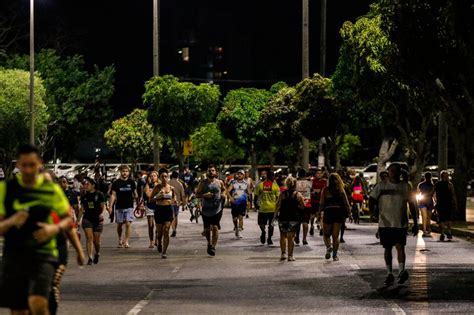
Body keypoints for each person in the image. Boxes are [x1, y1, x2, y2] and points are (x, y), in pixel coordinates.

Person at [0, 144, 73, 315]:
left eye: (32, 165)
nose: (28, 169)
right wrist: (12, 221)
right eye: (24, 165)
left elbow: (67, 219)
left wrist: (54, 228)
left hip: (44, 254)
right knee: (18, 311)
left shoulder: (51, 189)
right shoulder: (7, 189)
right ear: (17, 164)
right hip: (14, 254)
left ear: (39, 163)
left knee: (38, 303)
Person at [369, 163, 418, 286]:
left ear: (399, 173)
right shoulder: (381, 186)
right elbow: (372, 199)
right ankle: (389, 273)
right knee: (387, 248)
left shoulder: (405, 187)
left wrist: (416, 222)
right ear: (388, 172)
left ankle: (401, 271)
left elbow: (412, 205)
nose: (393, 173)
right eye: (391, 171)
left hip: (400, 223)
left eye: (396, 171)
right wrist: (373, 213)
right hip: (385, 223)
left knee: (400, 247)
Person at [320, 173, 351, 261]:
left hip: (329, 212)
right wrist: (349, 214)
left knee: (326, 234)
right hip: (338, 213)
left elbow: (322, 203)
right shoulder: (341, 190)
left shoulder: (325, 190)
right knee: (335, 236)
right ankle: (335, 255)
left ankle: (329, 247)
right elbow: (346, 203)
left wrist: (319, 212)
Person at [196, 165, 225, 256]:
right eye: (209, 171)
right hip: (206, 209)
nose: (211, 172)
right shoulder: (203, 183)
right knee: (207, 229)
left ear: (216, 172)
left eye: (213, 170)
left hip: (217, 208)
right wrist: (204, 195)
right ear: (207, 172)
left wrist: (224, 195)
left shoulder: (220, 182)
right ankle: (209, 243)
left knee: (215, 227)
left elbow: (224, 190)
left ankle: (213, 246)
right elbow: (197, 194)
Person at [275, 176, 305, 261]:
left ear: (286, 184)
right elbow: (303, 207)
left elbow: (278, 205)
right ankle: (290, 256)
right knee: (291, 237)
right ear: (295, 184)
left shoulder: (282, 194)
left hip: (283, 217)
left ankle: (283, 254)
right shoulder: (298, 195)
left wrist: (274, 216)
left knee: (282, 236)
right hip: (293, 218)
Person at [79, 177, 108, 265]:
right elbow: (82, 209)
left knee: (97, 242)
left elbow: (102, 207)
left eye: (88, 184)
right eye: (85, 184)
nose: (86, 186)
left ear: (93, 185)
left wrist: (100, 214)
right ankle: (90, 258)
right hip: (87, 219)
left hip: (97, 220)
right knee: (89, 238)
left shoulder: (100, 194)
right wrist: (77, 220)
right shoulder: (84, 196)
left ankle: (97, 253)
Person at [109, 165, 138, 248]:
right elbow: (113, 195)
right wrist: (110, 206)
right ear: (120, 172)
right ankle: (120, 239)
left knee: (128, 224)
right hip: (119, 206)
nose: (125, 173)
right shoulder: (116, 183)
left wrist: (139, 203)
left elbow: (135, 194)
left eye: (126, 171)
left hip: (129, 206)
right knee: (120, 225)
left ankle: (126, 241)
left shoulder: (131, 182)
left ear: (128, 172)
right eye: (123, 171)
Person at [150, 169, 175, 258]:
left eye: (166, 176)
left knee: (166, 230)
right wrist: (158, 197)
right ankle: (159, 242)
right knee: (160, 233)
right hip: (159, 210)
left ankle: (164, 251)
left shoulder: (171, 188)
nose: (164, 178)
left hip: (168, 210)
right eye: (162, 177)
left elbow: (174, 199)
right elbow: (151, 199)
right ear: (160, 178)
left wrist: (173, 201)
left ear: (168, 177)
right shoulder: (157, 188)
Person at [254, 170, 279, 245]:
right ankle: (269, 239)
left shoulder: (260, 185)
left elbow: (256, 196)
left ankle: (263, 232)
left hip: (262, 208)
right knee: (271, 225)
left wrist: (256, 205)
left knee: (261, 223)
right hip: (273, 208)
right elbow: (278, 198)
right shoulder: (275, 186)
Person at [434, 170, 457, 241]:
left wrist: (435, 202)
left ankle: (442, 233)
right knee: (449, 218)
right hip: (448, 204)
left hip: (440, 204)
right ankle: (449, 232)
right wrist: (455, 203)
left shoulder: (437, 184)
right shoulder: (450, 184)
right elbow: (453, 194)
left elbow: (433, 194)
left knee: (441, 219)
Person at [227, 169, 250, 239]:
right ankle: (236, 228)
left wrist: (248, 200)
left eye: (241, 174)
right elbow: (227, 191)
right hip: (235, 202)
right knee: (234, 218)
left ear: (243, 175)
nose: (239, 175)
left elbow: (248, 192)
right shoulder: (233, 182)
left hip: (242, 202)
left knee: (240, 217)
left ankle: (240, 231)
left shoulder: (246, 183)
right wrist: (230, 198)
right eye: (238, 174)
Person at [295, 169, 313, 245]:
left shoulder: (295, 183)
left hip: (297, 204)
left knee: (297, 222)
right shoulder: (309, 183)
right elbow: (312, 191)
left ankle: (297, 237)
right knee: (305, 222)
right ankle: (304, 239)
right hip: (307, 204)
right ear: (305, 175)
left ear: (298, 175)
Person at [144, 171, 160, 248]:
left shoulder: (160, 185)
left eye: (154, 176)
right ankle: (151, 241)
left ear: (157, 177)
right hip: (149, 206)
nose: (153, 177)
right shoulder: (147, 185)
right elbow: (148, 195)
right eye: (151, 176)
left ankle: (157, 239)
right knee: (150, 225)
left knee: (158, 225)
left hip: (158, 206)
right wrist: (156, 195)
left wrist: (152, 194)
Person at [417, 172, 435, 237]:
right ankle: (425, 229)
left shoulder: (431, 185)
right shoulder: (430, 185)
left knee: (427, 217)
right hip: (426, 201)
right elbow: (432, 194)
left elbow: (418, 193)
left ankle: (427, 228)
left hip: (426, 201)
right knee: (425, 217)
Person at [311, 168, 327, 237]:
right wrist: (314, 191)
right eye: (318, 173)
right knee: (312, 215)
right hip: (313, 200)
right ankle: (311, 226)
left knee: (321, 215)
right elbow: (309, 190)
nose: (319, 174)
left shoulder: (324, 181)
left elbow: (326, 190)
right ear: (315, 174)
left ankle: (321, 228)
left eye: (320, 173)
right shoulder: (312, 181)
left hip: (321, 201)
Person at [169, 171, 185, 237]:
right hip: (177, 202)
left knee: (172, 216)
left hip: (170, 202)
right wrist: (184, 204)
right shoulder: (180, 184)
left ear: (172, 176)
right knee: (176, 216)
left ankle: (173, 230)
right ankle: (175, 229)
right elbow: (183, 195)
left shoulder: (168, 183)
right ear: (177, 176)